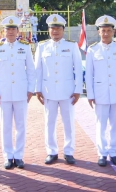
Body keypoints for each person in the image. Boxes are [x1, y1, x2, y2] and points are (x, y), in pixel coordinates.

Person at [35, 14, 83, 165]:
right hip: (48, 91)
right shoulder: (42, 46)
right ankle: (52, 151)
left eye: (58, 28)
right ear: (48, 30)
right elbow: (38, 70)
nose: (55, 31)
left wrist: (78, 90)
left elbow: (79, 69)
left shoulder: (71, 46)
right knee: (50, 122)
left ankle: (69, 152)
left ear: (63, 29)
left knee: (68, 122)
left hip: (67, 91)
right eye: (52, 28)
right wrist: (38, 89)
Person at [0, 16, 36, 169]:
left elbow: (31, 70)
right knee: (6, 126)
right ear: (4, 31)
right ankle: (8, 156)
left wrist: (30, 90)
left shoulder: (25, 47)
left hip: (21, 92)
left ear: (17, 31)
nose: (10, 32)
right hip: (3, 93)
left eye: (13, 29)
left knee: (21, 125)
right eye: (7, 29)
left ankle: (19, 156)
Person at [85, 15, 116, 167]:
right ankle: (102, 153)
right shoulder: (92, 50)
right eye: (103, 31)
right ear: (98, 32)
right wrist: (90, 95)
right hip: (100, 93)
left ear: (113, 32)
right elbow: (89, 75)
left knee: (115, 125)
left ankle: (115, 153)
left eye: (108, 30)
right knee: (101, 124)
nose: (105, 33)